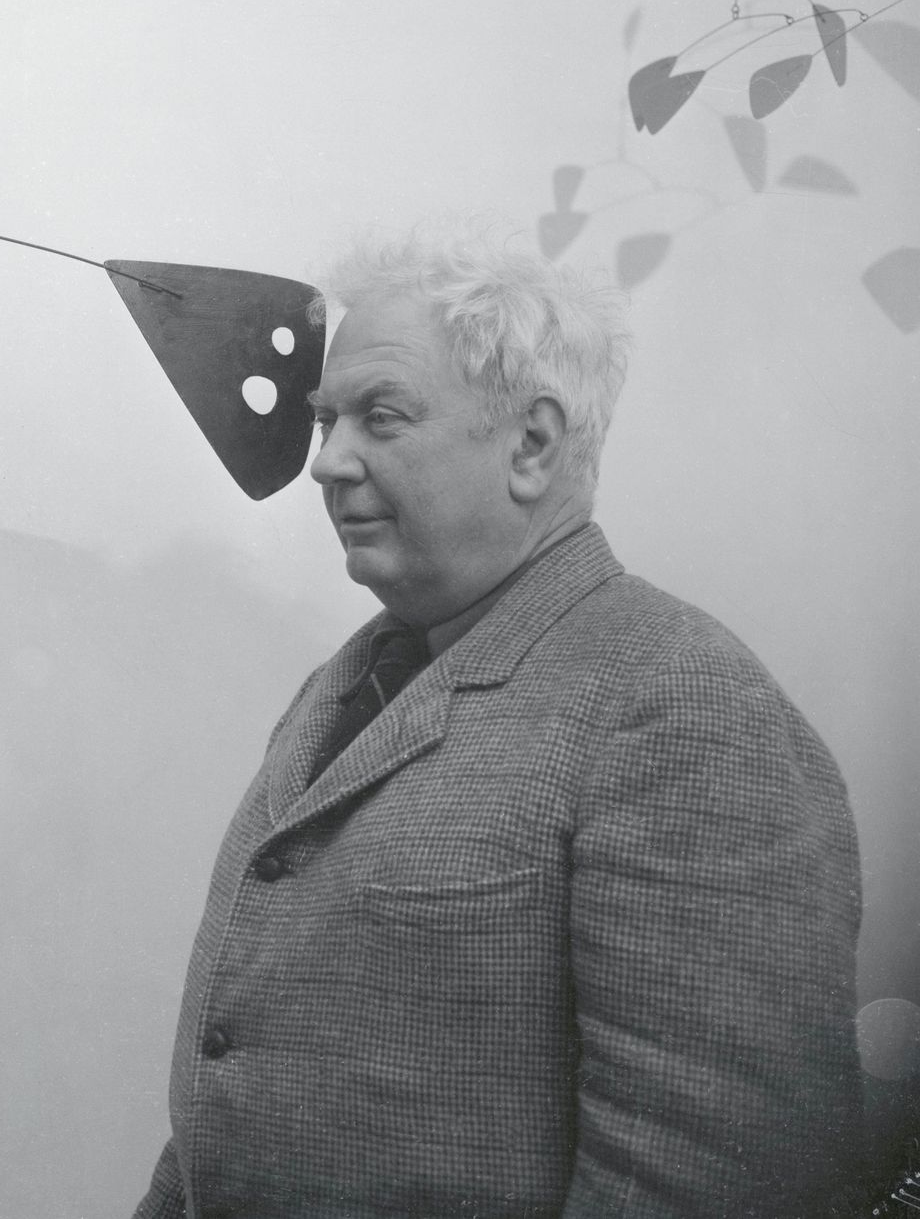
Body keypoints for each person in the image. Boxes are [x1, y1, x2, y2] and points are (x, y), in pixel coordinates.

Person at [130, 231, 862, 1219]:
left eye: (379, 416)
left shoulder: (685, 709)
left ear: (533, 444)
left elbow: (709, 1181)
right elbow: (230, 1074)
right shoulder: (341, 685)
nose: (326, 462)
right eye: (325, 419)